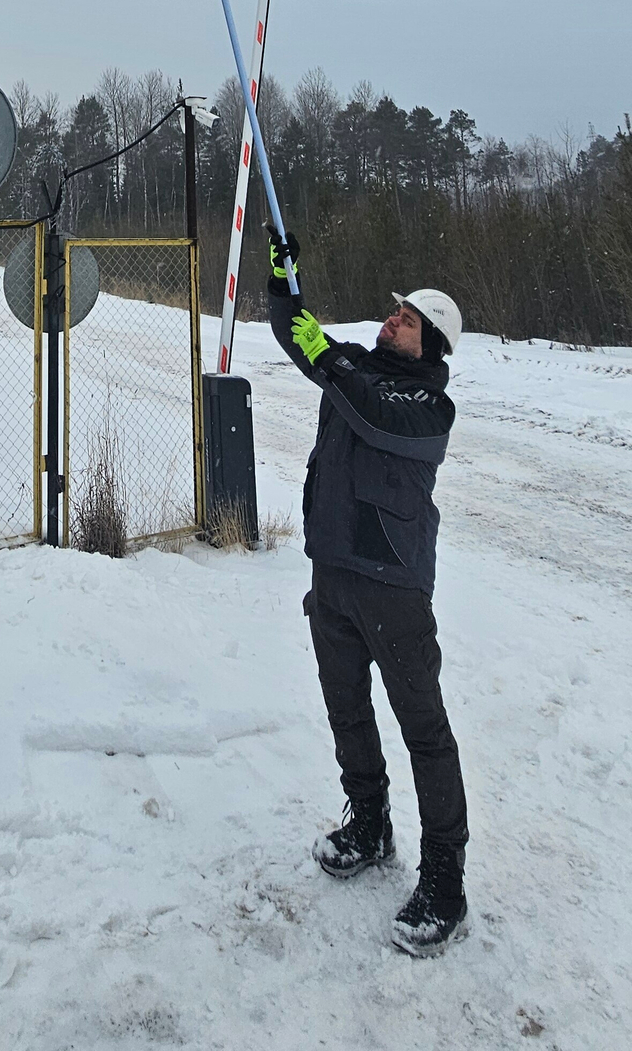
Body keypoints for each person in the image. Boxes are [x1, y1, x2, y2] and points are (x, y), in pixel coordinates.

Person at [267, 230, 469, 957]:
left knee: (424, 727)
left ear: (432, 342)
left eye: (407, 319)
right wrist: (283, 280)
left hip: (395, 588)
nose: (391, 320)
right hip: (334, 575)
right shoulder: (349, 362)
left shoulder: (426, 405)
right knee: (344, 706)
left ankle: (444, 874)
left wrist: (327, 358)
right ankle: (370, 820)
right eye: (393, 313)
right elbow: (300, 335)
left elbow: (369, 413)